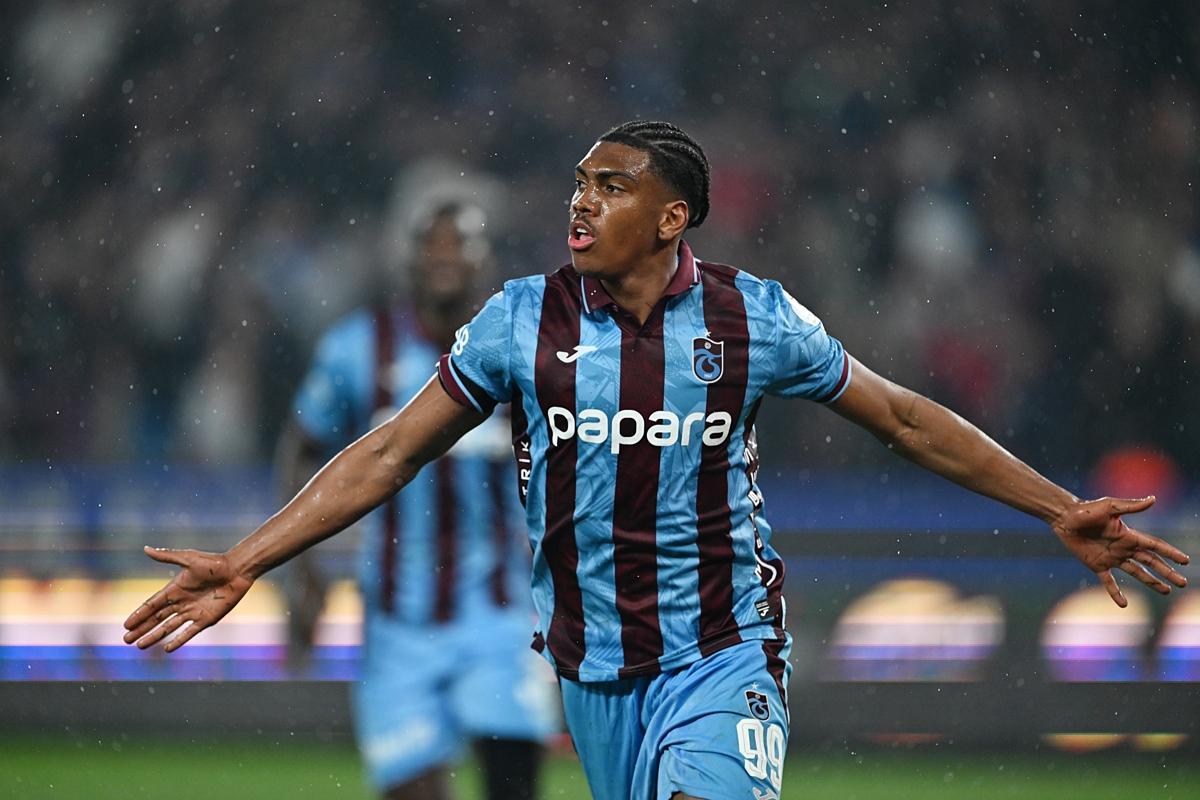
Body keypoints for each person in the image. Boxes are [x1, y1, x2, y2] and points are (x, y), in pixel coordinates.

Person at [124, 120, 1190, 800]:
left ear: (672, 217)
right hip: (593, 672)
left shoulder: (754, 318)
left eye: (612, 185)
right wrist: (248, 559)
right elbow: (392, 451)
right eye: (580, 183)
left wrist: (1056, 506)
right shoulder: (520, 322)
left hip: (724, 649)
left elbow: (906, 420)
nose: (582, 201)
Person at [275, 192, 556, 800]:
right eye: (433, 245)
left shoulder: (523, 348)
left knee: (513, 784)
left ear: (485, 262)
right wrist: (302, 573)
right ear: (408, 260)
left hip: (502, 615)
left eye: (460, 245)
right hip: (398, 620)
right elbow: (301, 447)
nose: (445, 257)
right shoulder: (359, 347)